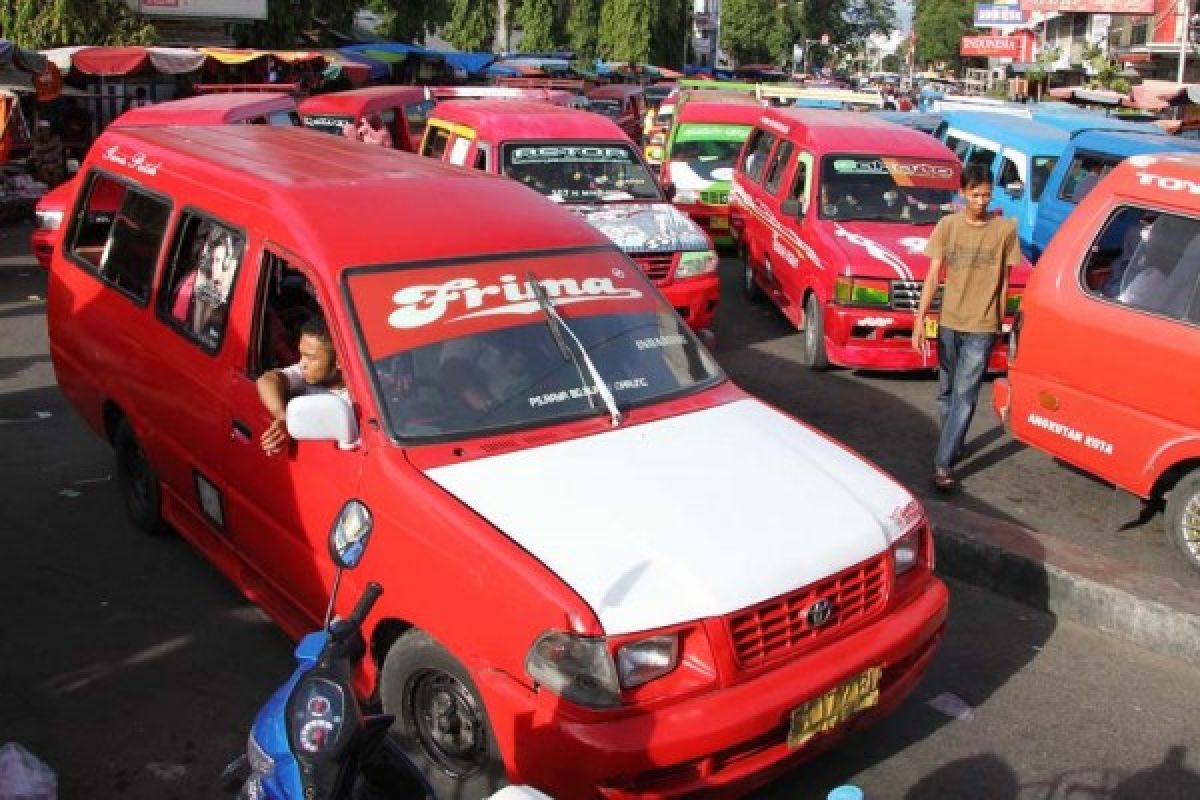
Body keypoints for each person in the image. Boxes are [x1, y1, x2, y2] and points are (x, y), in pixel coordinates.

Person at [912, 163, 1020, 490]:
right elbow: (933, 275)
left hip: (983, 325)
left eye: (987, 195)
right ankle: (953, 441)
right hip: (949, 321)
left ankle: (943, 464)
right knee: (946, 392)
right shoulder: (948, 226)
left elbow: (1004, 281)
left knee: (965, 394)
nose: (981, 201)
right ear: (962, 193)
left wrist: (1000, 325)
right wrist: (920, 319)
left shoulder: (1005, 230)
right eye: (975, 195)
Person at [257, 316, 348, 456]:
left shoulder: (354, 400)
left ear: (339, 361)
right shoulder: (306, 374)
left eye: (310, 357)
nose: (302, 363)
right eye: (301, 354)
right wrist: (284, 420)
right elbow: (266, 381)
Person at [29, 119, 65, 187]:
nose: (43, 132)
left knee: (58, 173)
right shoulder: (35, 143)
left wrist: (52, 165)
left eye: (45, 130)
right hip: (43, 169)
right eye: (41, 130)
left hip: (55, 167)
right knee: (42, 171)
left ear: (49, 130)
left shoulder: (56, 141)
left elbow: (60, 159)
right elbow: (36, 159)